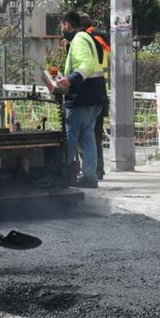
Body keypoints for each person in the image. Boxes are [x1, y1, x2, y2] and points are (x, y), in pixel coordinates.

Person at [54, 11, 106, 189]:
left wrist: (69, 80)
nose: (62, 29)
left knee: (71, 137)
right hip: (95, 96)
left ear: (67, 24)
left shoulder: (78, 40)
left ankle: (65, 175)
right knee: (88, 138)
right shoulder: (89, 37)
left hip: (82, 97)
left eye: (62, 26)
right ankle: (90, 177)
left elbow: (87, 65)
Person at [78, 13, 111, 180]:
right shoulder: (100, 39)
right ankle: (97, 170)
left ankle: (89, 170)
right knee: (95, 133)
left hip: (86, 91)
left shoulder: (85, 41)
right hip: (100, 90)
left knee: (83, 134)